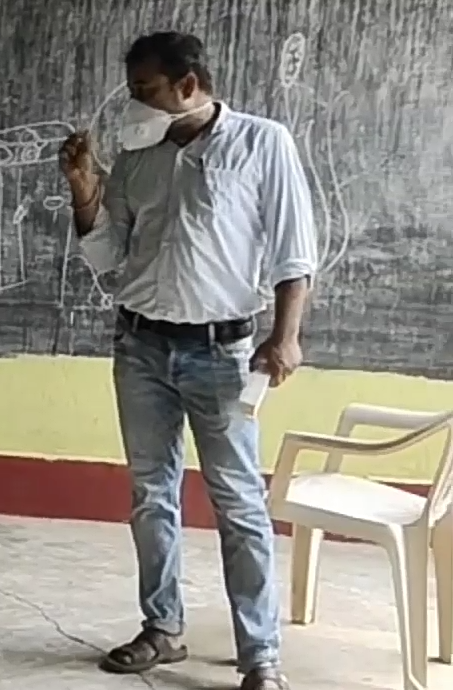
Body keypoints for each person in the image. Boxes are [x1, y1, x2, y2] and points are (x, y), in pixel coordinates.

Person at [57, 32, 316, 690]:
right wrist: (82, 186)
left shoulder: (263, 143)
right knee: (150, 496)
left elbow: (293, 253)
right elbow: (107, 256)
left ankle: (259, 655)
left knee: (237, 503)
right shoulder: (138, 157)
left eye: (144, 90)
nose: (134, 103)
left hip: (223, 350)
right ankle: (161, 628)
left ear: (188, 85)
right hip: (139, 345)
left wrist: (285, 337)